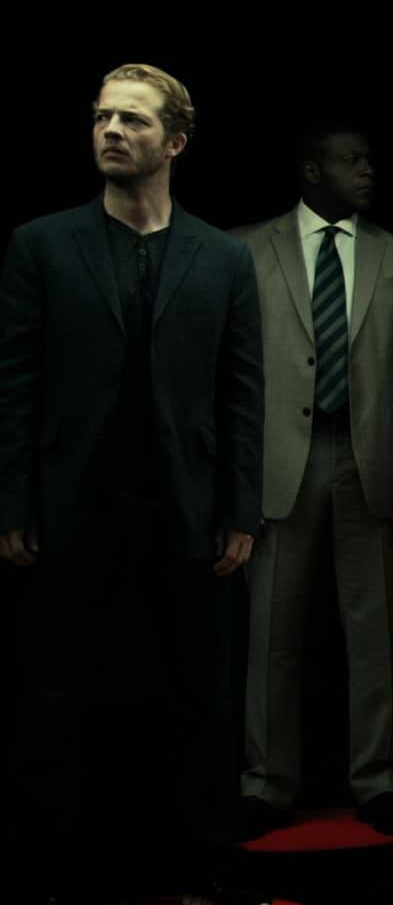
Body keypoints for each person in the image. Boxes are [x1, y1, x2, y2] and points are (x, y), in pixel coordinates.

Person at [0, 64, 263, 893]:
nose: (111, 130)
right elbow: (15, 383)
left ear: (175, 142)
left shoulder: (223, 257)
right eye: (102, 117)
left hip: (186, 505)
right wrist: (14, 501)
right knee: (59, 691)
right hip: (73, 503)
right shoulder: (42, 243)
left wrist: (241, 510)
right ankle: (56, 863)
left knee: (199, 694)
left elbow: (242, 394)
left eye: (133, 120)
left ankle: (204, 860)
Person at [234, 126, 393, 839]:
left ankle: (380, 781)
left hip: (368, 459)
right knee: (271, 635)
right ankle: (265, 786)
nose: (368, 170)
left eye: (370, 160)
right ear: (312, 170)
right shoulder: (246, 249)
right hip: (277, 463)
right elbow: (229, 369)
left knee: (374, 631)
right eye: (353, 161)